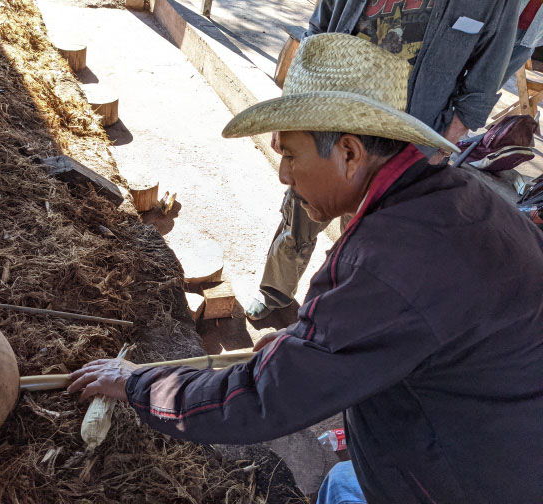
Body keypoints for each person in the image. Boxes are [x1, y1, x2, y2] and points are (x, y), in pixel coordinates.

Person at [68, 34, 543, 503]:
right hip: (501, 436)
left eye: (291, 155)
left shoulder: (383, 261)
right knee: (342, 484)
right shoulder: (458, 194)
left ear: (350, 153)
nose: (283, 175)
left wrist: (136, 383)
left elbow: (260, 400)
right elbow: (419, 325)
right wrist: (316, 342)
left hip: (469, 479)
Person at [246, 0, 519, 321]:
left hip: (409, 140)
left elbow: (485, 78)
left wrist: (445, 142)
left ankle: (329, 320)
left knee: (370, 243)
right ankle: (276, 293)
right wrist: (290, 110)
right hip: (329, 117)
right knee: (300, 215)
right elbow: (317, 32)